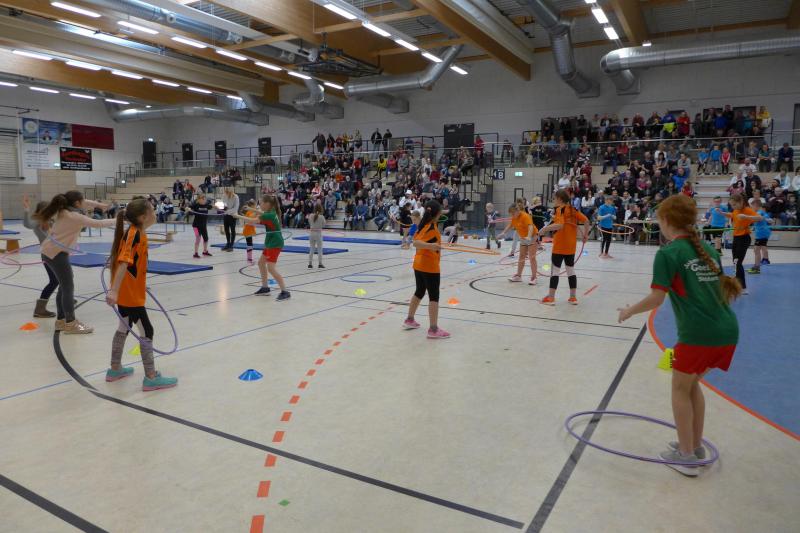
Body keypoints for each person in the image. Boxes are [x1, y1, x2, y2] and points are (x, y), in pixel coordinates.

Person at [617, 194, 740, 476]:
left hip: (699, 335)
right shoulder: (707, 249)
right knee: (692, 385)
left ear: (666, 220)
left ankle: (686, 457)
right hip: (727, 332)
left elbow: (656, 298)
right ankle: (694, 447)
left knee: (680, 390)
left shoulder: (668, 253)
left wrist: (629, 311)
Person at [105, 198, 178, 391]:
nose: (155, 213)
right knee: (147, 330)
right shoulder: (134, 234)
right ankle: (151, 377)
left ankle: (115, 369)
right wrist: (114, 290)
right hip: (129, 295)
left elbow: (132, 265)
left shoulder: (137, 232)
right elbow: (123, 262)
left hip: (130, 291)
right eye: (153, 211)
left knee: (124, 326)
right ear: (143, 217)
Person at [36, 191, 115, 333]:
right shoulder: (74, 216)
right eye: (82, 200)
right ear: (77, 203)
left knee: (64, 285)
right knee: (67, 287)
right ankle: (70, 323)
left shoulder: (63, 210)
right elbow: (98, 223)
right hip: (56, 254)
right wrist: (120, 219)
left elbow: (86, 202)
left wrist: (100, 205)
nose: (86, 202)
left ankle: (61, 321)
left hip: (50, 251)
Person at [403, 200, 449, 339]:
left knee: (419, 291)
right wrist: (432, 246)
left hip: (419, 265)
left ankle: (410, 319)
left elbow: (419, 240)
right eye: (439, 212)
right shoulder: (431, 228)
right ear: (436, 214)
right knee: (434, 297)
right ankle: (433, 329)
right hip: (429, 267)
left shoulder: (424, 225)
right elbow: (416, 243)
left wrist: (432, 245)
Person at [538, 189, 590, 306]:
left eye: (554, 198)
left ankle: (551, 298)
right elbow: (586, 220)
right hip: (571, 246)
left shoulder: (560, 209)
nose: (554, 200)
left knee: (555, 271)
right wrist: (586, 235)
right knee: (570, 270)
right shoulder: (573, 209)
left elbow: (560, 225)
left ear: (560, 199)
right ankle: (573, 297)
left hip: (560, 245)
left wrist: (544, 229)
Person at [236, 195, 290, 301]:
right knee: (261, 263)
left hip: (275, 243)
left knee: (271, 268)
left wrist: (237, 216)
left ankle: (285, 291)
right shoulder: (272, 210)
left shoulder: (269, 215)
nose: (259, 205)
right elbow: (263, 213)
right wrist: (251, 209)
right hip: (270, 242)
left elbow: (251, 221)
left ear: (267, 204)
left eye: (260, 203)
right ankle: (265, 288)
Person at [22, 195, 59, 318]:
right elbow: (27, 224)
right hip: (48, 255)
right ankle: (40, 309)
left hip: (57, 253)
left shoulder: (51, 221)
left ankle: (65, 298)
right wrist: (26, 209)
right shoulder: (38, 221)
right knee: (55, 281)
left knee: (65, 277)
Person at [719, 193, 762, 294]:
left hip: (744, 238)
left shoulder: (747, 210)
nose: (733, 207)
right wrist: (722, 213)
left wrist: (746, 216)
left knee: (738, 262)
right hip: (736, 238)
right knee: (735, 262)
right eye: (732, 205)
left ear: (741, 202)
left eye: (734, 204)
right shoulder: (735, 210)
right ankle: (737, 284)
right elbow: (732, 215)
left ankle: (743, 288)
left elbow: (760, 218)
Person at [501, 204, 538, 285]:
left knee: (532, 258)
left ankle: (534, 277)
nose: (512, 215)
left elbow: (530, 226)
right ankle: (518, 276)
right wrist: (503, 233)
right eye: (511, 214)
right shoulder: (514, 217)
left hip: (532, 237)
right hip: (523, 238)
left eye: (513, 213)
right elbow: (510, 225)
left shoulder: (525, 216)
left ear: (518, 211)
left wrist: (529, 236)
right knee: (521, 257)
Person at [748, 199, 771, 274]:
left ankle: (756, 267)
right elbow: (768, 219)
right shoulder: (762, 212)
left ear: (756, 206)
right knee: (758, 249)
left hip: (761, 234)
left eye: (752, 207)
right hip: (764, 233)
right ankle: (760, 263)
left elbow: (756, 219)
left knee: (756, 250)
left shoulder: (758, 212)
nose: (751, 208)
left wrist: (746, 218)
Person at [191, 193, 212, 259]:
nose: (204, 200)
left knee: (206, 238)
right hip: (196, 226)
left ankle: (205, 251)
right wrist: (187, 209)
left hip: (203, 225)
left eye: (204, 198)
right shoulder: (195, 205)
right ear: (199, 199)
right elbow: (189, 208)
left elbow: (212, 207)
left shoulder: (206, 205)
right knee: (198, 238)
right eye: (202, 198)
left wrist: (219, 208)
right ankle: (195, 253)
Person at [307, 202, 326, 269]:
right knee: (319, 249)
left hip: (311, 233)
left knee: (311, 248)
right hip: (318, 234)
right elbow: (324, 225)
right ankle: (320, 264)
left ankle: (310, 264)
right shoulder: (321, 217)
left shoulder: (310, 215)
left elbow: (309, 223)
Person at [242, 199, 260, 265]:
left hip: (249, 230)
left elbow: (255, 218)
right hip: (247, 230)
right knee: (250, 245)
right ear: (252, 206)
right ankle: (249, 259)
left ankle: (249, 258)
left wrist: (257, 212)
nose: (255, 207)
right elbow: (251, 218)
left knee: (250, 245)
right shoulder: (249, 212)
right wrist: (256, 212)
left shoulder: (251, 211)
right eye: (255, 205)